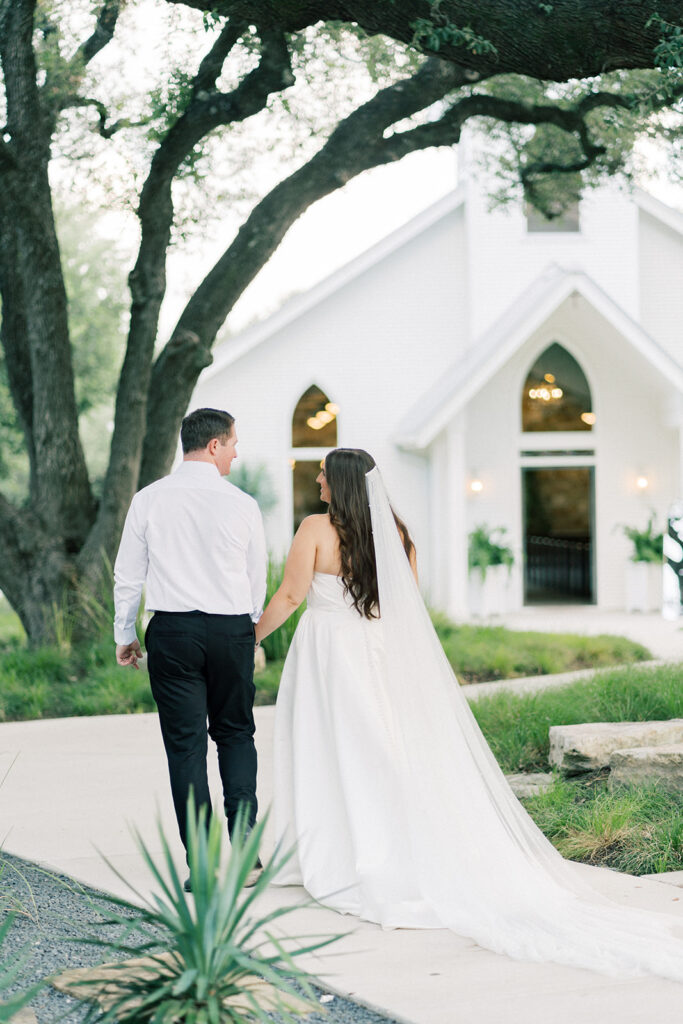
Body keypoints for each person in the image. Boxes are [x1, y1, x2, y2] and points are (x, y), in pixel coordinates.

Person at [255, 447, 683, 983]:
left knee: (327, 749)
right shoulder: (398, 534)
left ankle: (344, 853)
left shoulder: (315, 528)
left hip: (329, 657)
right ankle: (386, 846)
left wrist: (249, 634)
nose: (315, 477)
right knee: (381, 751)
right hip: (377, 654)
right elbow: (405, 611)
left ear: (338, 484)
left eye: (321, 472)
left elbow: (293, 593)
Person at [114, 408, 266, 887]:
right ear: (215, 445)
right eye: (234, 443)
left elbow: (128, 574)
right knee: (236, 735)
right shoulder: (242, 503)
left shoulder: (149, 499)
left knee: (186, 749)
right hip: (230, 630)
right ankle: (244, 855)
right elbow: (255, 577)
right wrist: (249, 629)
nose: (237, 452)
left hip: (173, 633)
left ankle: (201, 863)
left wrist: (125, 634)